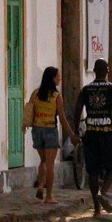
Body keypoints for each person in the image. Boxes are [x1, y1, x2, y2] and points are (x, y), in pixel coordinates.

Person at [72, 59, 112, 218]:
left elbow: (77, 111)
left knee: (93, 171)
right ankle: (103, 192)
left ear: (94, 71)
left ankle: (96, 209)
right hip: (108, 134)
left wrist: (75, 132)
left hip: (91, 134)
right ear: (107, 71)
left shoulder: (86, 89)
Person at [24, 67, 78, 204]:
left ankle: (41, 185)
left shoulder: (35, 94)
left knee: (42, 161)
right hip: (50, 130)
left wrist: (24, 125)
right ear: (53, 78)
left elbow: (29, 111)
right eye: (58, 76)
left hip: (37, 129)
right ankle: (49, 196)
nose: (60, 78)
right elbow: (62, 119)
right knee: (50, 164)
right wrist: (71, 135)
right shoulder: (56, 97)